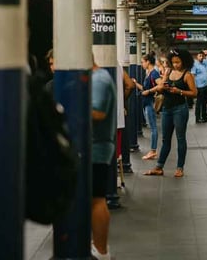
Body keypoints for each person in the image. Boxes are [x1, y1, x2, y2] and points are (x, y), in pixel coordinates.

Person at [144, 48, 197, 178]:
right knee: (165, 139)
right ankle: (159, 167)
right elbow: (161, 88)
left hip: (180, 109)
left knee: (180, 138)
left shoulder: (187, 75)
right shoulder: (168, 72)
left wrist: (179, 91)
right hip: (167, 109)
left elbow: (194, 93)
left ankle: (180, 168)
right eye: (173, 62)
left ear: (184, 62)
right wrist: (166, 78)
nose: (175, 65)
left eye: (178, 62)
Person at [90, 58, 118, 260]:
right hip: (92, 146)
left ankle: (101, 251)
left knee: (96, 198)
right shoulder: (95, 78)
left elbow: (98, 112)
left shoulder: (99, 79)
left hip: (96, 147)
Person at [131, 54, 161, 161]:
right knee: (152, 127)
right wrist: (135, 84)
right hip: (146, 102)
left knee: (153, 128)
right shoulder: (148, 74)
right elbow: (144, 88)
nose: (142, 64)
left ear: (148, 62)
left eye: (143, 62)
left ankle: (153, 151)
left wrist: (149, 91)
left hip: (150, 103)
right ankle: (152, 150)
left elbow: (160, 85)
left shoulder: (154, 73)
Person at [191, 51, 207, 123]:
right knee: (199, 103)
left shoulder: (205, 62)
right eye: (199, 56)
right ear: (197, 57)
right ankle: (198, 118)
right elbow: (193, 76)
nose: (201, 57)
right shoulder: (194, 65)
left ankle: (204, 116)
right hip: (199, 86)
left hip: (205, 85)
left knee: (204, 102)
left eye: (202, 56)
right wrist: (194, 87)